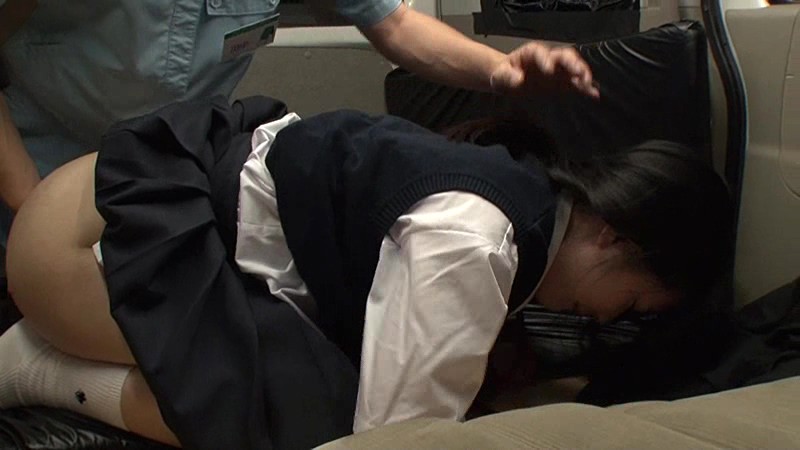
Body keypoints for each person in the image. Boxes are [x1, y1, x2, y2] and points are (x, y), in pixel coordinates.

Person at [0, 95, 733, 449]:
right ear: (615, 237)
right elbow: (392, 440)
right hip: (81, 249)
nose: (608, 321)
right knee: (303, 422)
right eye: (631, 304)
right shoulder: (477, 241)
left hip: (108, 215)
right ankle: (31, 366)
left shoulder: (522, 205)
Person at [0, 0, 599, 232]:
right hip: (37, 174)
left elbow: (394, 23)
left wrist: (500, 70)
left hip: (168, 185)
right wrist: (30, 210)